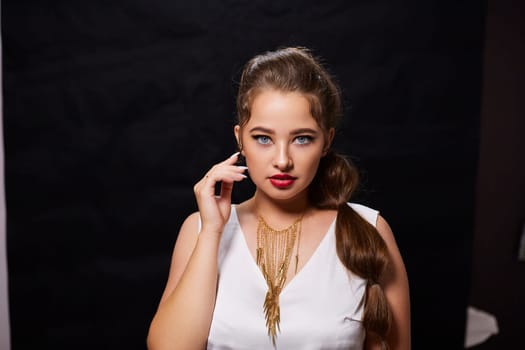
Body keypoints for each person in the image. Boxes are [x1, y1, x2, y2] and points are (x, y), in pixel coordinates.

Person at [147, 47, 410, 350]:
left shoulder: (370, 230)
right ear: (239, 139)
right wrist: (212, 232)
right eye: (263, 138)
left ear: (327, 141)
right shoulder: (200, 229)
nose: (282, 160)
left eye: (302, 138)